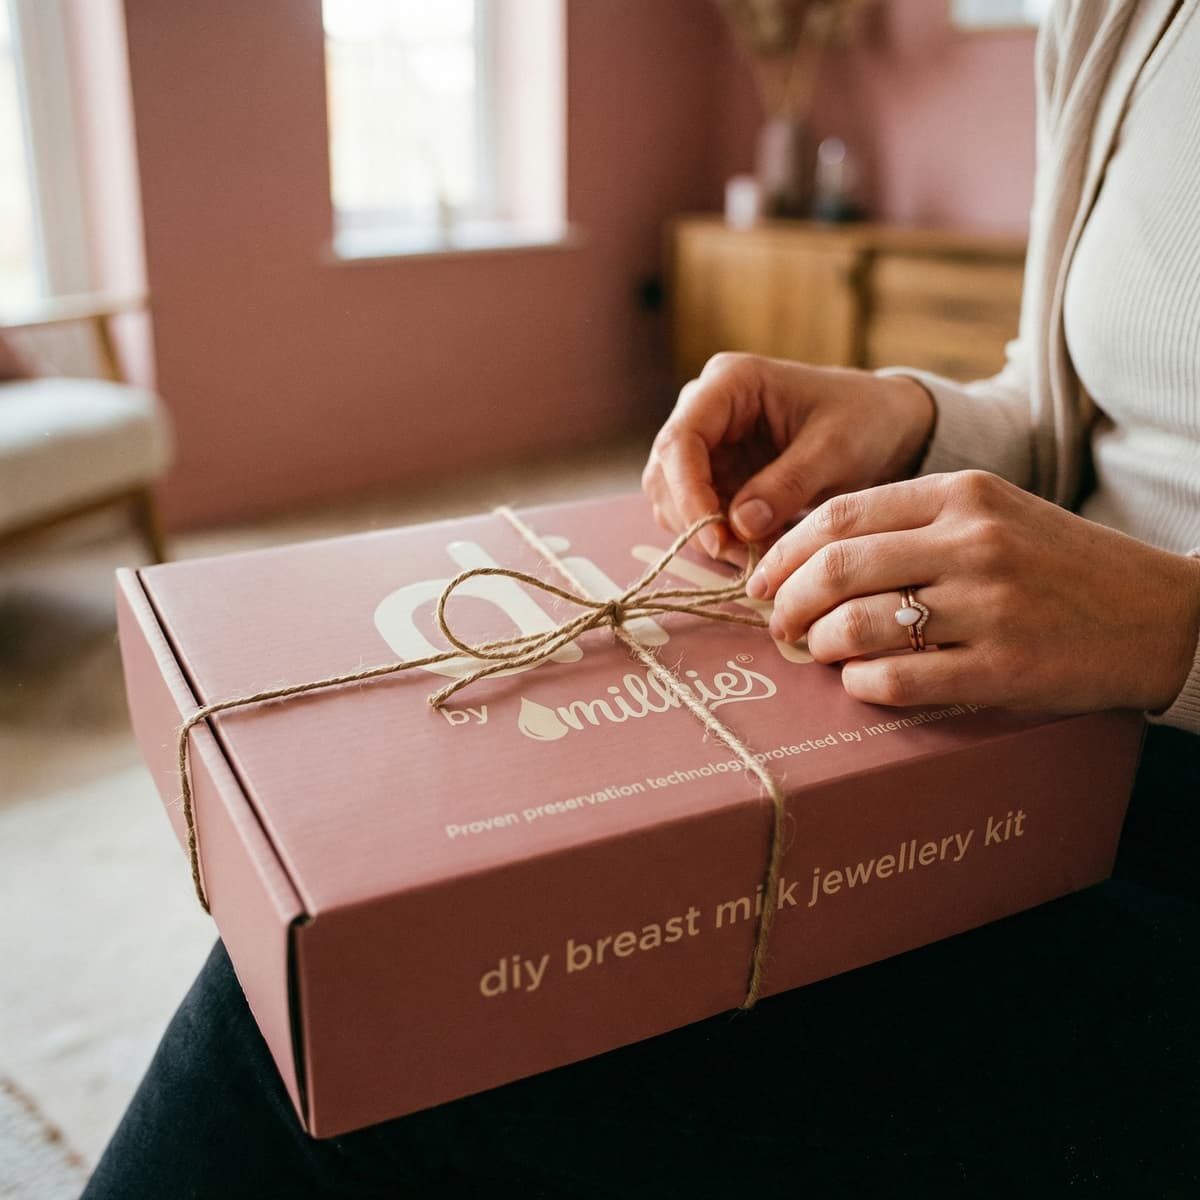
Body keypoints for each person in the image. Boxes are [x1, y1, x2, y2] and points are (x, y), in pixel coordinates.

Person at [83, 1, 1198, 1195]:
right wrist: (914, 414)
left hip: (1135, 803)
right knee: (310, 971)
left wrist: (1169, 626)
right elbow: (1083, 404)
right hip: (1020, 693)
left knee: (399, 1003)